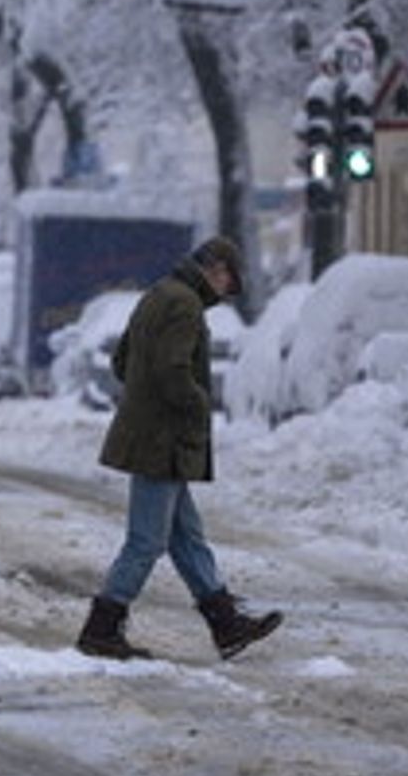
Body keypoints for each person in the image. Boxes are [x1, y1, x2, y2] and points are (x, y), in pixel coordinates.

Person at [76, 236, 283, 661]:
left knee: (187, 538)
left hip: (153, 435)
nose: (227, 293)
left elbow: (122, 363)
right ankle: (101, 628)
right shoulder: (185, 304)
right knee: (146, 541)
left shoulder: (158, 294)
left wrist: (145, 398)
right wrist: (198, 404)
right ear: (218, 269)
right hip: (163, 441)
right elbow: (173, 373)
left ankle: (226, 626)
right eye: (230, 282)